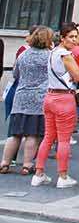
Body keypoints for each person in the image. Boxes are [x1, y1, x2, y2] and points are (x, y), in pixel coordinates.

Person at [32, 21, 79, 188]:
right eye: (71, 37)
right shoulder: (66, 55)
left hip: (50, 96)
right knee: (64, 139)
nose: (74, 40)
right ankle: (63, 176)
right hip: (64, 98)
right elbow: (78, 76)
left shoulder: (53, 52)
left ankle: (38, 173)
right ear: (62, 38)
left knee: (48, 137)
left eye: (76, 36)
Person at [0, 27, 53, 175]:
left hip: (21, 97)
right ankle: (27, 164)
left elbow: (15, 74)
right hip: (39, 98)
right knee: (32, 134)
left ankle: (4, 163)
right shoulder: (49, 56)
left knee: (15, 134)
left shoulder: (23, 54)